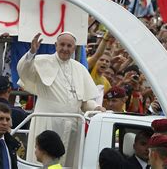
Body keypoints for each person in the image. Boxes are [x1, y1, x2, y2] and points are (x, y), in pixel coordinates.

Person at [17, 32, 103, 167]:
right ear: (56, 45)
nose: (65, 48)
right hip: (48, 122)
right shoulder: (42, 61)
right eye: (62, 44)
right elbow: (24, 71)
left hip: (73, 126)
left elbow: (84, 102)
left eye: (69, 46)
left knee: (68, 163)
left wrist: (96, 108)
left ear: (74, 48)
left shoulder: (80, 69)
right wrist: (31, 52)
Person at [10, 0, 55, 89]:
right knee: (19, 63)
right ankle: (17, 96)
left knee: (42, 65)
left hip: (43, 35)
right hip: (21, 34)